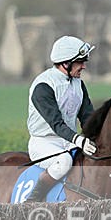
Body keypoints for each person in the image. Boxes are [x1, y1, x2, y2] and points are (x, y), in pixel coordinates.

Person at [25, 35, 97, 202]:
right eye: (80, 62)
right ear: (66, 63)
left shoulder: (78, 83)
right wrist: (79, 140)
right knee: (64, 162)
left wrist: (97, 137)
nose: (84, 66)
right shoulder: (42, 86)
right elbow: (56, 123)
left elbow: (88, 117)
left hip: (68, 141)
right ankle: (32, 201)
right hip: (44, 142)